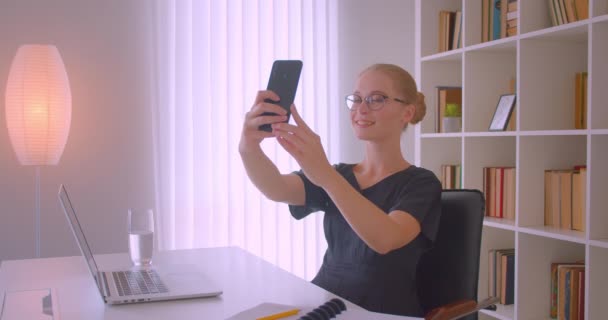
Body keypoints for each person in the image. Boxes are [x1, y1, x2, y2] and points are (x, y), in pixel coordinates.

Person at [238, 63, 441, 317]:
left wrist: (325, 175)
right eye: (356, 99)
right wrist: (249, 146)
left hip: (381, 312)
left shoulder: (421, 183)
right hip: (324, 304)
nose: (361, 109)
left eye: (376, 99)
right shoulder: (339, 174)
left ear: (407, 112)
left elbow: (386, 239)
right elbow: (276, 188)